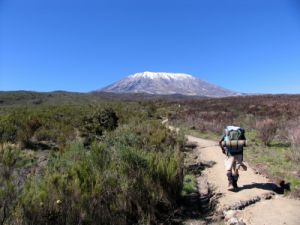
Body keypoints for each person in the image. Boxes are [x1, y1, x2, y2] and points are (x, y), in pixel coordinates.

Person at [219, 126, 247, 190]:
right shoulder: (240, 132)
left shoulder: (226, 131)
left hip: (230, 153)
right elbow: (244, 144)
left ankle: (230, 184)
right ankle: (235, 184)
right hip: (239, 153)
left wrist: (223, 149)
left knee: (229, 168)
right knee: (236, 169)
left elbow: (220, 141)